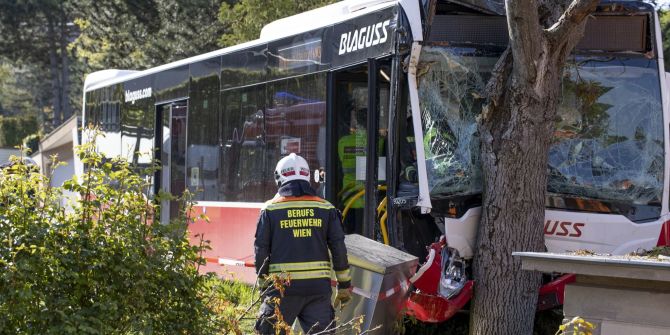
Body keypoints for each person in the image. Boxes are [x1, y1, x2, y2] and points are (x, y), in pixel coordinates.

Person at [254, 153, 352, 334]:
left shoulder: (269, 210)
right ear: (308, 177)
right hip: (318, 290)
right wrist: (344, 285)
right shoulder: (326, 208)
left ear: (279, 178)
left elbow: (261, 251)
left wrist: (263, 285)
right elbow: (339, 249)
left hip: (281, 290)